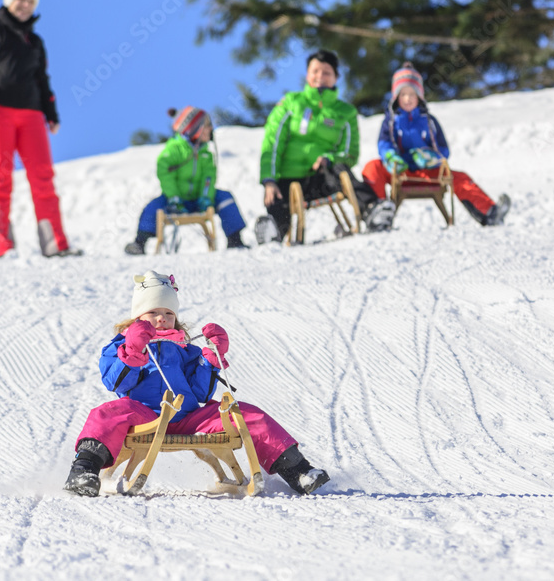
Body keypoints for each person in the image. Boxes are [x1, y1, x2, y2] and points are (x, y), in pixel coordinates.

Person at [63, 270, 330, 497]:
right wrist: (133, 351)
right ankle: (84, 471)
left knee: (244, 412)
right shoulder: (123, 344)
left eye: (168, 313)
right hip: (143, 413)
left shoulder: (184, 347)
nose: (161, 318)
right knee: (106, 414)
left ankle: (299, 471)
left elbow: (201, 391)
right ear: (137, 317)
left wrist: (212, 358)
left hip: (189, 416)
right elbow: (114, 381)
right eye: (153, 311)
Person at [0, 0, 80, 258]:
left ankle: (55, 243)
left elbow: (42, 79)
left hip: (30, 115)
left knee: (43, 178)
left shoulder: (35, 42)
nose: (25, 5)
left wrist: (51, 113)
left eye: (30, 0)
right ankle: (0, 245)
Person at [258, 49, 394, 243]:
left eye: (326, 72)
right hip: (288, 179)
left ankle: (372, 210)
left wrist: (328, 159)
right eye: (315, 71)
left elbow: (349, 153)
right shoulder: (291, 104)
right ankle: (273, 232)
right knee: (279, 200)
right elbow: (272, 142)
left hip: (321, 179)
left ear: (336, 77)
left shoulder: (345, 112)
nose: (320, 77)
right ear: (307, 74)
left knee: (340, 169)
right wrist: (268, 180)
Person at [360, 62, 511, 227]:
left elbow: (443, 149)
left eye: (412, 93)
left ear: (420, 95)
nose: (408, 98)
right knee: (372, 167)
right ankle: (379, 215)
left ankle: (489, 213)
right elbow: (384, 143)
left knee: (460, 178)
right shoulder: (390, 122)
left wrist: (431, 157)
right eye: (403, 94)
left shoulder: (429, 122)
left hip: (428, 173)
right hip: (399, 173)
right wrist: (391, 157)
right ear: (396, 97)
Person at [124, 107, 249, 255]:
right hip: (174, 200)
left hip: (199, 199)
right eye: (207, 125)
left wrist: (206, 198)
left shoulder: (206, 155)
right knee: (152, 208)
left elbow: (208, 178)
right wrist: (174, 198)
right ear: (195, 128)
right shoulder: (173, 150)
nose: (211, 129)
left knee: (225, 198)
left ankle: (235, 240)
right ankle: (140, 242)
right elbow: (165, 174)